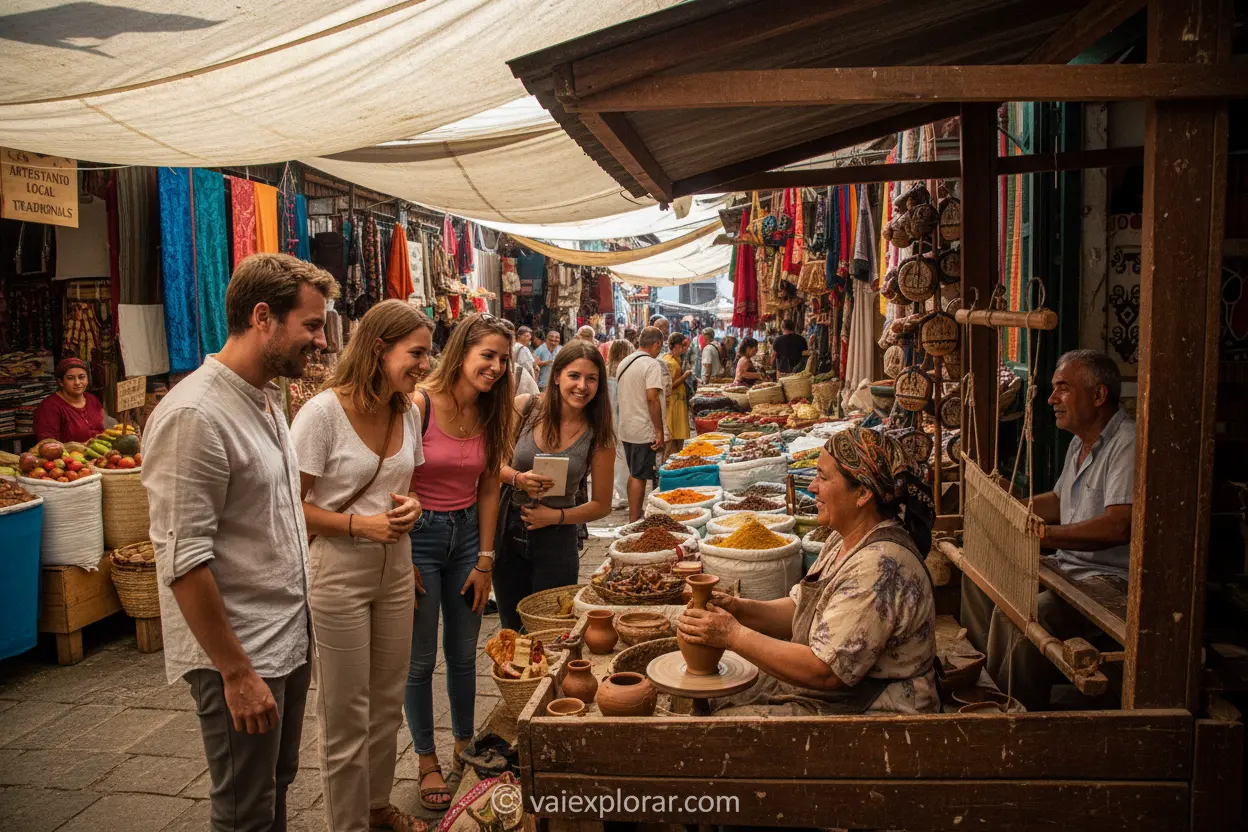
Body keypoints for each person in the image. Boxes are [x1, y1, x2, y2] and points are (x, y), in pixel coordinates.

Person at [142, 253, 336, 831]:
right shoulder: (196, 415)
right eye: (312, 325)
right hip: (242, 650)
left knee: (274, 786)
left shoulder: (263, 397)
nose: (323, 341)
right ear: (262, 317)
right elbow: (184, 561)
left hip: (284, 637)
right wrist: (235, 673)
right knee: (243, 809)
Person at [678, 427, 938, 715]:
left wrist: (733, 635)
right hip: (838, 691)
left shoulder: (879, 566)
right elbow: (801, 607)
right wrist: (740, 609)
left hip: (873, 709)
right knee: (722, 694)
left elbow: (825, 671)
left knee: (723, 724)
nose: (812, 487)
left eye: (823, 478)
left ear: (863, 493)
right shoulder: (843, 538)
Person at [291, 300, 431, 832]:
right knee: (344, 713)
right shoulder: (322, 414)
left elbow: (406, 486)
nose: (425, 364)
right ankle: (348, 824)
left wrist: (413, 508)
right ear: (378, 348)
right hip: (339, 570)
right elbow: (288, 507)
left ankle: (376, 808)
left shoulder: (407, 410)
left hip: (395, 567)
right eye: (415, 353)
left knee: (387, 702)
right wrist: (357, 526)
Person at [961, 349, 1135, 711]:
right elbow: (1058, 500)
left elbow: (1119, 525)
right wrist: (1008, 508)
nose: (1052, 399)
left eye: (1063, 388)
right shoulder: (1079, 442)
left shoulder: (1127, 444)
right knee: (977, 577)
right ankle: (984, 681)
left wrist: (1042, 536)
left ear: (1098, 395)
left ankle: (1018, 715)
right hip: (1068, 567)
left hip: (1107, 581)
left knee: (1021, 615)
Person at [406, 313, 513, 811]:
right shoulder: (420, 404)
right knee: (420, 658)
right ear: (462, 352)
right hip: (418, 538)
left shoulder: (494, 410)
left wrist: (486, 559)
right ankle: (426, 758)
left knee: (464, 652)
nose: (495, 367)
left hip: (468, 535)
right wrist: (399, 556)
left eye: (502, 359)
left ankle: (464, 745)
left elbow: (489, 487)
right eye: (487, 356)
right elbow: (394, 478)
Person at [495, 341, 616, 630]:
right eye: (574, 376)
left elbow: (602, 505)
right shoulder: (524, 407)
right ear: (558, 375)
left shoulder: (598, 434)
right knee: (511, 626)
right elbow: (493, 464)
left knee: (552, 626)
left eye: (591, 379)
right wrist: (518, 478)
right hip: (509, 530)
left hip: (558, 538)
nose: (582, 386)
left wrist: (555, 517)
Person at [615, 326, 667, 522]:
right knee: (639, 475)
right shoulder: (651, 364)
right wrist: (659, 431)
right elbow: (652, 398)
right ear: (657, 343)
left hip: (627, 426)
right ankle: (635, 519)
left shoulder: (625, 362)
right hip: (643, 428)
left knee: (635, 472)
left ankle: (635, 515)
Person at [33, 357, 105, 443]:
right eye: (70, 378)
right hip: (67, 452)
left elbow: (102, 430)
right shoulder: (49, 406)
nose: (77, 383)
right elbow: (48, 443)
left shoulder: (92, 399)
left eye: (81, 377)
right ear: (61, 382)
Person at [606, 339, 635, 511]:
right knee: (623, 457)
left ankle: (609, 495)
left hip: (607, 420)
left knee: (608, 456)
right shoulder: (628, 370)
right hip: (625, 418)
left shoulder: (605, 370)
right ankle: (622, 495)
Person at [662, 332, 691, 455]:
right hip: (674, 403)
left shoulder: (672, 359)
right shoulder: (670, 362)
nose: (683, 350)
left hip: (678, 401)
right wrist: (684, 376)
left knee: (678, 435)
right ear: (677, 346)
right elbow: (670, 385)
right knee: (673, 436)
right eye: (682, 347)